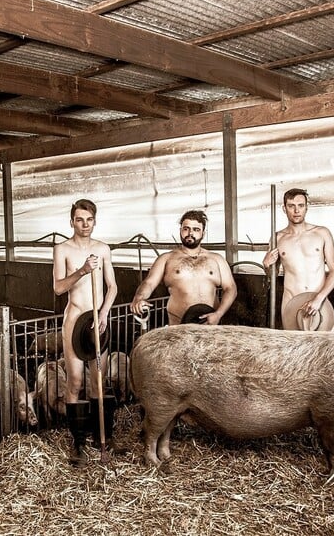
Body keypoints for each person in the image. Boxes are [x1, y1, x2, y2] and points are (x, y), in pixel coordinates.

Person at [53, 199, 118, 466]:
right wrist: (82, 270)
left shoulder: (102, 249)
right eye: (79, 220)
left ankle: (102, 437)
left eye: (89, 219)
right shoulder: (62, 249)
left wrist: (104, 314)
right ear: (72, 222)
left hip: (97, 321)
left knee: (98, 381)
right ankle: (78, 443)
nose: (85, 225)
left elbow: (112, 287)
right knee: (76, 382)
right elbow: (58, 288)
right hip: (75, 320)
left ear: (95, 221)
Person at [130, 210, 237, 325]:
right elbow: (149, 283)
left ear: (203, 233)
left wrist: (218, 314)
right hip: (179, 326)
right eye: (186, 229)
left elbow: (231, 288)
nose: (190, 233)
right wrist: (139, 297)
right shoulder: (166, 259)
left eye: (196, 229)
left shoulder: (217, 259)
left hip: (211, 325)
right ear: (180, 230)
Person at [263, 188, 334, 331]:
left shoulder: (322, 233)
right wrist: (267, 265)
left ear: (306, 207)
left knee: (333, 342)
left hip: (319, 301)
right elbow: (272, 276)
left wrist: (319, 299)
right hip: (291, 302)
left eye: (300, 205)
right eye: (291, 206)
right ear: (284, 209)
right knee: (294, 345)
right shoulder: (277, 238)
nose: (296, 210)